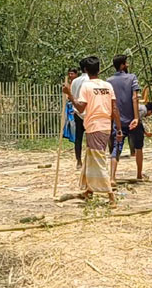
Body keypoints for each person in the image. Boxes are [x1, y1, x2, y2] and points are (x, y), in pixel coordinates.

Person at [62, 56, 122, 207]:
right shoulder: (107, 86)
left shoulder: (86, 87)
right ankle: (89, 190)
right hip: (106, 126)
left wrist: (69, 95)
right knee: (91, 157)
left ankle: (111, 196)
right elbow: (114, 108)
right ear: (99, 69)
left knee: (97, 159)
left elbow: (81, 107)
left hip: (94, 126)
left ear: (85, 71)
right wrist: (119, 129)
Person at [107, 54, 145, 182]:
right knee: (138, 147)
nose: (127, 65)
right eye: (126, 63)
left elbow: (110, 103)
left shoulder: (109, 81)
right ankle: (139, 174)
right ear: (122, 65)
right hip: (131, 119)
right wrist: (136, 118)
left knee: (116, 148)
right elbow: (135, 98)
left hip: (118, 121)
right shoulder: (132, 78)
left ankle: (112, 177)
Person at [70, 60, 89, 169]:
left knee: (78, 137)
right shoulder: (90, 80)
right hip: (88, 111)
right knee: (90, 137)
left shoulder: (75, 81)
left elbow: (72, 96)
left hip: (77, 111)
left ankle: (79, 161)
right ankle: (88, 160)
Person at [63, 68, 79, 143]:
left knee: (74, 124)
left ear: (76, 74)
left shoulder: (78, 83)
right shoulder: (68, 84)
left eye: (72, 74)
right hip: (69, 105)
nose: (70, 75)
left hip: (76, 105)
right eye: (69, 74)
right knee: (67, 122)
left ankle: (76, 139)